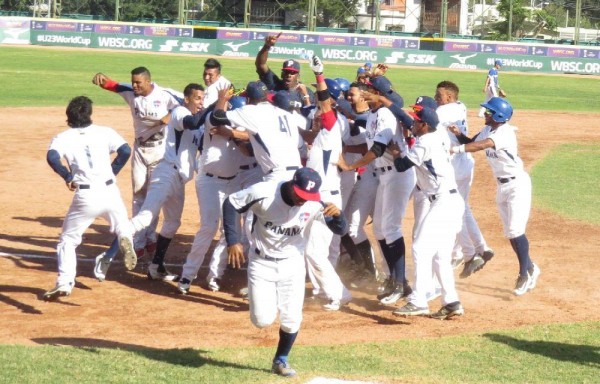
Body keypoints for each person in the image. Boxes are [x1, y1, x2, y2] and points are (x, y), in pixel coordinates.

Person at [223, 167, 347, 377]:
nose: (302, 200)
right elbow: (231, 203)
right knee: (261, 320)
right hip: (261, 263)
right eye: (300, 195)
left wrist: (339, 216)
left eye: (307, 197)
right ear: (292, 185)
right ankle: (267, 319)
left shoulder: (314, 203)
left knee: (292, 318)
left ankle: (281, 359)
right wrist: (232, 241)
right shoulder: (264, 192)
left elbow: (339, 230)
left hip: (293, 264)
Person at [44, 96, 136, 301]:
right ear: (89, 114)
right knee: (123, 225)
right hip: (110, 191)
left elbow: (52, 157)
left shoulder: (63, 137)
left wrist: (67, 176)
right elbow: (125, 150)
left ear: (69, 116)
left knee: (68, 240)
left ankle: (65, 282)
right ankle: (124, 238)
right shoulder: (105, 131)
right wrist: (113, 170)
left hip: (85, 195)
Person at [449, 97, 541, 296]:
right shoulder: (488, 130)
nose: (485, 114)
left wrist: (455, 148)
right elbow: (473, 142)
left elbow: (482, 146)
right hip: (502, 187)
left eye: (489, 112)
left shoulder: (504, 133)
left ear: (499, 115)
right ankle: (531, 267)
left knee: (516, 231)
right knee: (510, 233)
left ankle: (524, 274)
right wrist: (459, 135)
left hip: (517, 185)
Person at [338, 77, 416, 306]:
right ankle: (397, 280)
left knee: (390, 228)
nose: (364, 93)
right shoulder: (372, 115)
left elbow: (379, 148)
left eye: (369, 90)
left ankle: (400, 283)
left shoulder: (385, 115)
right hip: (384, 175)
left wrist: (350, 166)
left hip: (398, 176)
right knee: (381, 229)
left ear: (376, 93)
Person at [92, 67, 183, 259]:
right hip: (140, 150)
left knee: (153, 194)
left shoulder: (165, 95)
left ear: (149, 82)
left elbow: (188, 103)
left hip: (159, 151)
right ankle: (141, 241)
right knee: (138, 194)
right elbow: (112, 85)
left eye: (138, 83)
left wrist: (173, 114)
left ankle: (148, 236)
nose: (134, 86)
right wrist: (100, 79)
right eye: (133, 82)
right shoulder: (130, 93)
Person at [389, 107, 465, 319]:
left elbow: (403, 165)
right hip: (448, 200)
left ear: (425, 125)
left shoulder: (425, 142)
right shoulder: (437, 136)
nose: (413, 124)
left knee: (420, 248)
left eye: (416, 121)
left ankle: (418, 300)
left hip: (443, 201)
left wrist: (395, 152)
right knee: (440, 256)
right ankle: (451, 302)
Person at [302, 57, 352, 311]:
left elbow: (323, 102)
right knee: (311, 249)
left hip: (326, 200)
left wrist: (319, 74)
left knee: (315, 252)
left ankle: (338, 294)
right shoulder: (323, 133)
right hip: (319, 198)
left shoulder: (332, 128)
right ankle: (328, 290)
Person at [434, 81, 494, 275]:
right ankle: (481, 248)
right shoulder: (460, 106)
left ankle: (467, 253)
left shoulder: (445, 111)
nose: (436, 99)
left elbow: (423, 117)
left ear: (449, 97)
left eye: (439, 96)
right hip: (465, 162)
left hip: (454, 164)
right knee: (463, 207)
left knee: (452, 209)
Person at [254, 32, 314, 106]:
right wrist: (267, 46)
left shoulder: (306, 92)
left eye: (292, 72)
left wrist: (306, 97)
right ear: (282, 74)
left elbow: (311, 114)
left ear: (298, 76)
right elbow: (261, 64)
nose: (288, 75)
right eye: (286, 72)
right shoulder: (275, 84)